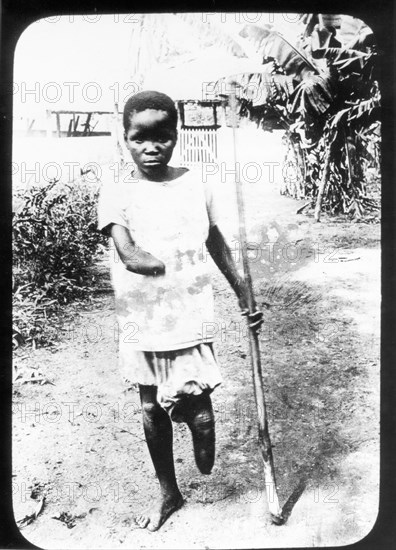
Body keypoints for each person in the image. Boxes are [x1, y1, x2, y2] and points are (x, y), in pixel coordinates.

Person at [98, 90, 262, 531]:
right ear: (124, 139)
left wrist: (243, 289)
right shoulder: (116, 190)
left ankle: (194, 413)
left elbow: (214, 241)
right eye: (139, 139)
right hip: (141, 315)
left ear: (177, 135)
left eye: (162, 137)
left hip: (188, 310)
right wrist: (150, 262)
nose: (151, 147)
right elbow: (126, 249)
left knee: (198, 406)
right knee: (150, 404)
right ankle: (168, 490)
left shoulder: (196, 183)